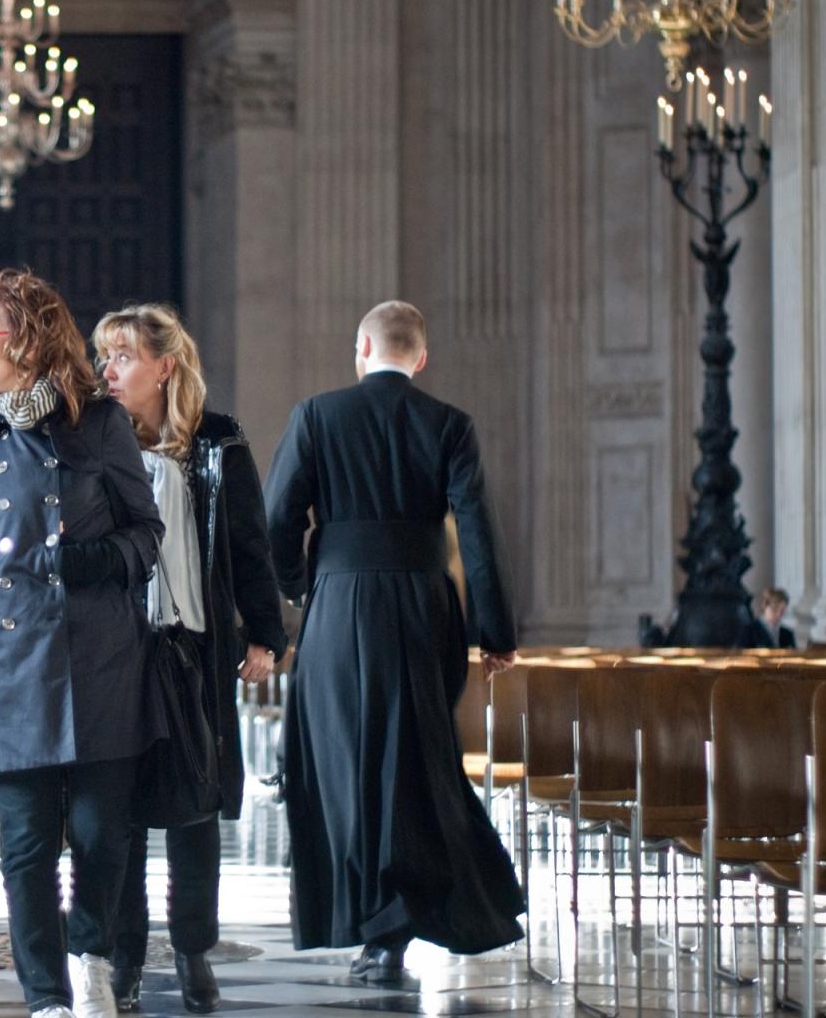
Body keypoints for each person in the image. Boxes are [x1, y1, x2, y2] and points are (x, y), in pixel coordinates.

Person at [262, 300, 525, 982]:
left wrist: (300, 587)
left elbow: (277, 519)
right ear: (421, 358)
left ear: (361, 348)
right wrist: (495, 631)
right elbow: (478, 533)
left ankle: (372, 922)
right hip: (422, 608)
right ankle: (398, 927)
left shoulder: (316, 415)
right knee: (413, 760)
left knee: (342, 761)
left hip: (339, 606)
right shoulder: (450, 424)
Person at [0, 269, 163, 1018]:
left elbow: (147, 533)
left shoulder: (100, 425)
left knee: (100, 837)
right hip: (8, 665)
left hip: (101, 658)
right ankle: (46, 997)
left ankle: (91, 962)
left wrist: (97, 560)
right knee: (25, 848)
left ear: (26, 342)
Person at [92, 304, 286, 1013]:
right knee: (119, 813)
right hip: (115, 651)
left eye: (123, 357)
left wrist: (264, 634)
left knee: (194, 808)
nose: (107, 371)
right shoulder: (94, 438)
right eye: (104, 357)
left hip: (192, 649)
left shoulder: (217, 441)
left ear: (165, 366)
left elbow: (250, 544)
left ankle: (193, 949)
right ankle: (124, 960)